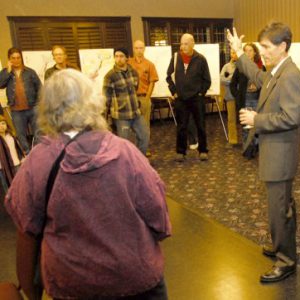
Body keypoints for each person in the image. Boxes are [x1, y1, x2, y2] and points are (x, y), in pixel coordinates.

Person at [4, 69, 171, 299]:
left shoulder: (38, 161)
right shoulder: (125, 152)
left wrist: (32, 294)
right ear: (93, 101)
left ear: (46, 107)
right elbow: (159, 219)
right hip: (137, 282)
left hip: (74, 286)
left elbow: (27, 235)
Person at [227, 22, 300, 283]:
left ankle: (286, 260)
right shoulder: (277, 71)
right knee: (282, 206)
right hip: (276, 152)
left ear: (283, 47)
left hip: (280, 155)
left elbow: (292, 117)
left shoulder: (290, 74)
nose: (262, 52)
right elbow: (258, 77)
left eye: (266, 47)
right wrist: (238, 54)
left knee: (278, 209)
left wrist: (256, 119)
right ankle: (282, 246)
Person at [166, 33, 211, 162]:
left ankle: (203, 150)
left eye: (186, 44)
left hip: (197, 98)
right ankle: (180, 152)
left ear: (192, 44)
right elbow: (169, 77)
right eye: (181, 43)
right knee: (181, 126)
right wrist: (174, 92)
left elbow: (206, 80)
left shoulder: (200, 59)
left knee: (200, 126)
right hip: (181, 99)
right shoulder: (175, 58)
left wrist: (201, 93)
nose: (182, 46)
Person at [103, 47, 150, 155]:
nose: (118, 59)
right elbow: (106, 97)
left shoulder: (133, 72)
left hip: (135, 112)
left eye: (121, 56)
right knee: (124, 143)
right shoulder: (110, 76)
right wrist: (106, 118)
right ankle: (126, 164)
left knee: (144, 136)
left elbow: (135, 88)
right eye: (116, 56)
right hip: (121, 115)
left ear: (127, 58)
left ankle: (139, 160)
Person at [0, 47, 41, 153]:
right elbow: (0, 84)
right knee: (20, 134)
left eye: (18, 58)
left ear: (21, 58)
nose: (16, 60)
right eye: (13, 58)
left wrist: (40, 104)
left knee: (38, 132)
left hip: (33, 107)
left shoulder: (30, 72)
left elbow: (40, 88)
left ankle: (37, 152)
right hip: (16, 110)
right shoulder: (5, 72)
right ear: (9, 59)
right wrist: (8, 71)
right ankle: (27, 153)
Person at [230, 43, 265, 149]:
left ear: (255, 52)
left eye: (250, 50)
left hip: (258, 100)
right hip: (244, 100)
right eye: (246, 51)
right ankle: (247, 148)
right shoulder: (240, 67)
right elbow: (232, 84)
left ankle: (256, 146)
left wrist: (258, 87)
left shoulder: (261, 67)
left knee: (257, 124)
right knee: (245, 126)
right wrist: (238, 96)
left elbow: (266, 84)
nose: (248, 53)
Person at [128, 40, 159, 156]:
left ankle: (145, 148)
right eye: (136, 48)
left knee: (145, 125)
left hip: (143, 98)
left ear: (144, 49)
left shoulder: (149, 64)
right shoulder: (128, 63)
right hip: (130, 99)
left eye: (141, 48)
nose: (139, 50)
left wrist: (147, 97)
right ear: (133, 49)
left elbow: (152, 82)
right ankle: (134, 149)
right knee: (131, 124)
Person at [0, 115, 25, 194]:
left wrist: (22, 158)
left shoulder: (11, 136)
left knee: (21, 186)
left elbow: (18, 149)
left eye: (3, 123)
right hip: (3, 169)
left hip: (16, 164)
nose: (1, 126)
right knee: (8, 189)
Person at [220, 49, 238, 145]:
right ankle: (233, 139)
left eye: (235, 52)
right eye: (231, 52)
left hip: (243, 96)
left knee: (245, 119)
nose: (233, 54)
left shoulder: (243, 66)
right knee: (231, 119)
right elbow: (222, 79)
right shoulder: (226, 66)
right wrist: (232, 81)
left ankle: (247, 139)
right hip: (230, 96)